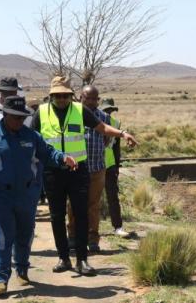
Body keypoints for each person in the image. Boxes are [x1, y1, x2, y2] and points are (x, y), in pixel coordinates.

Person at [0, 95, 77, 296]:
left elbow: (48, 153)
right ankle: (1, 279)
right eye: (16, 117)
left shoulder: (31, 136)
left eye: (22, 117)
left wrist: (63, 158)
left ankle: (22, 270)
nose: (20, 121)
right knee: (2, 237)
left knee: (25, 235)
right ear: (5, 114)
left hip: (26, 195)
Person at [31, 76, 137, 276]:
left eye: (65, 95)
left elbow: (102, 127)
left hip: (78, 171)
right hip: (52, 172)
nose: (62, 99)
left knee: (81, 214)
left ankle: (82, 260)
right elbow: (30, 136)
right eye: (57, 96)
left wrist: (122, 134)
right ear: (51, 96)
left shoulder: (80, 110)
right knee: (56, 216)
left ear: (71, 96)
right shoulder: (41, 112)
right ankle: (63, 257)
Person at [100, 98, 130, 238]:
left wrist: (117, 167)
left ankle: (118, 226)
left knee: (113, 197)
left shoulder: (116, 124)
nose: (108, 112)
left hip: (110, 164)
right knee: (89, 198)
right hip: (92, 164)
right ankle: (88, 229)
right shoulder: (92, 120)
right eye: (106, 109)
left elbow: (116, 148)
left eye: (110, 110)